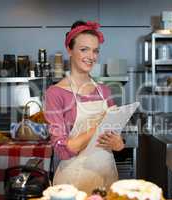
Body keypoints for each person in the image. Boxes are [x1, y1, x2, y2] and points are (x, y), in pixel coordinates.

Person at [44, 20, 125, 194]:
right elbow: (63, 150)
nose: (91, 56)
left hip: (106, 178)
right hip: (74, 184)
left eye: (95, 50)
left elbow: (117, 141)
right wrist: (98, 127)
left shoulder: (104, 90)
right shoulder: (55, 93)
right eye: (84, 49)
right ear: (69, 50)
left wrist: (118, 143)